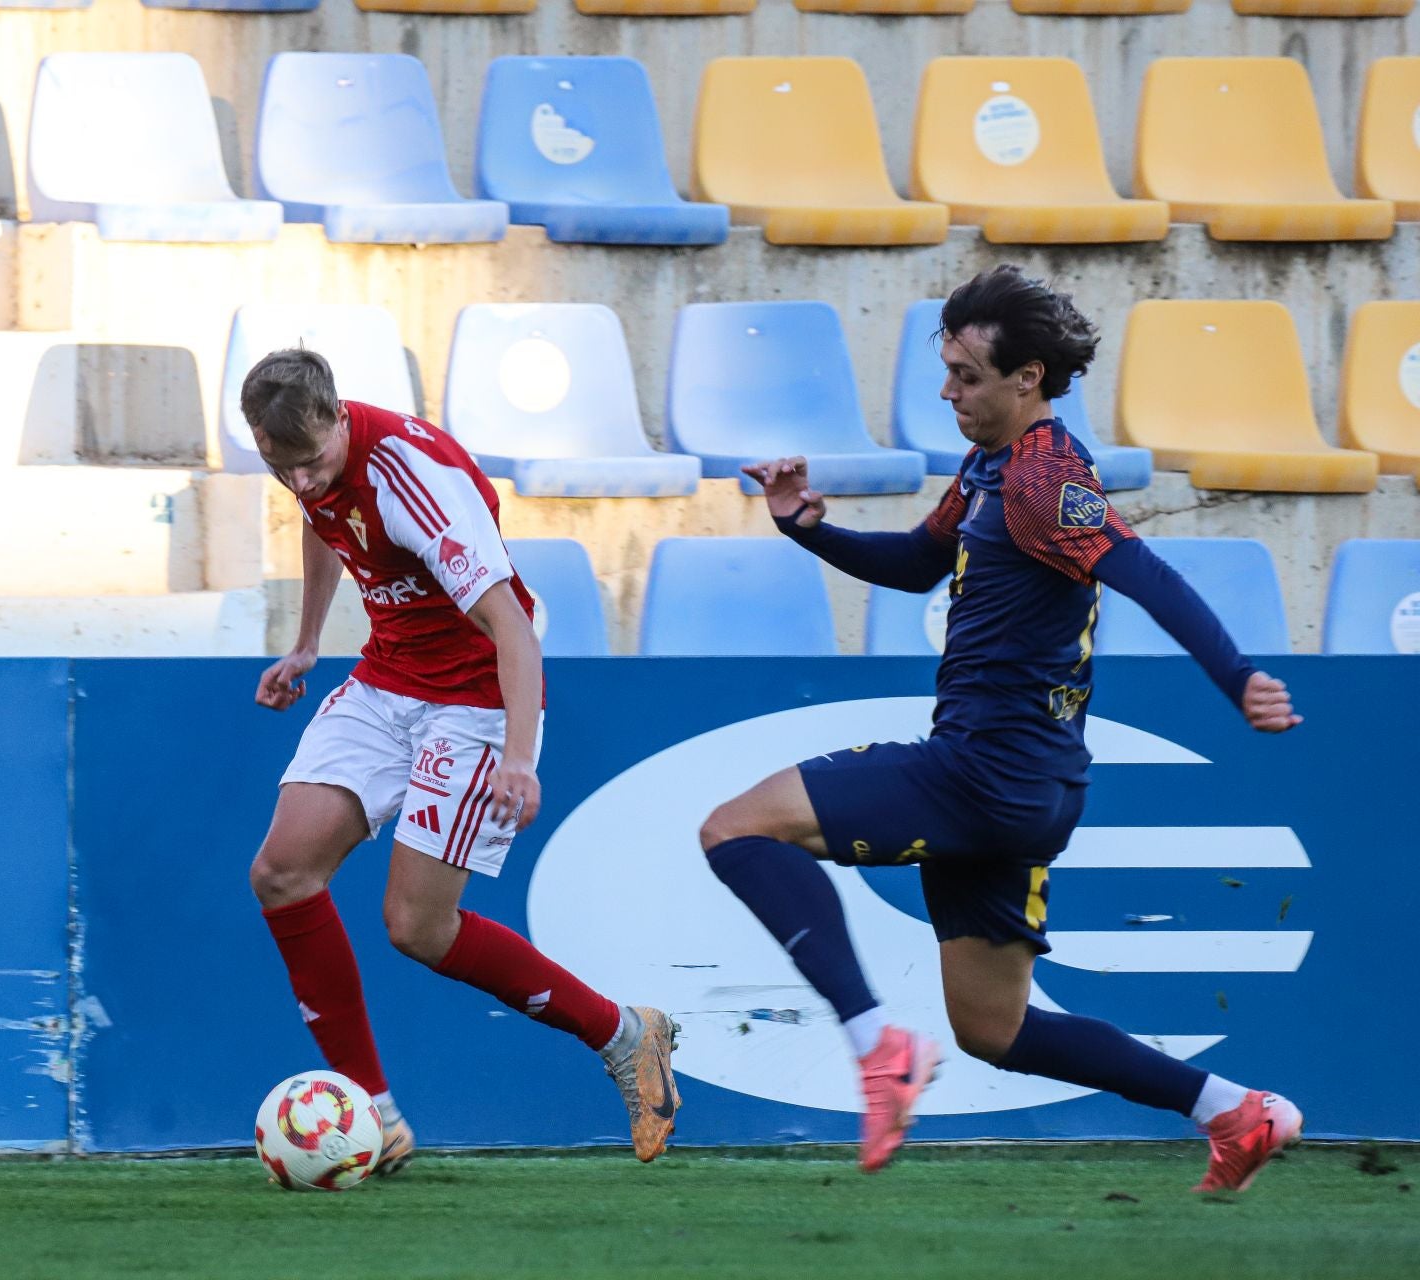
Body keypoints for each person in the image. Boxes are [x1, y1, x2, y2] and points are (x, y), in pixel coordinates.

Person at [700, 265, 1302, 1192]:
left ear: (1029, 378)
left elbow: (1147, 576)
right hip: (1024, 784)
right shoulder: (990, 469)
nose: (947, 391)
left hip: (985, 775)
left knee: (735, 828)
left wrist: (1238, 677)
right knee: (996, 1032)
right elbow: (915, 563)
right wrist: (806, 526)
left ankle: (876, 1047)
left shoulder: (1043, 482)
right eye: (945, 369)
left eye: (968, 375)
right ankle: (1232, 1108)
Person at [243, 347, 679, 1173]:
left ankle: (625, 1034)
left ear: (341, 419)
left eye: (311, 463)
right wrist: (306, 644)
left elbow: (511, 624)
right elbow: (325, 525)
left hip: (476, 701)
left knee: (417, 927)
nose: (299, 482)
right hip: (387, 679)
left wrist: (518, 758)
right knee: (280, 872)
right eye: (279, 467)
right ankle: (371, 1110)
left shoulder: (415, 480)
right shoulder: (316, 466)